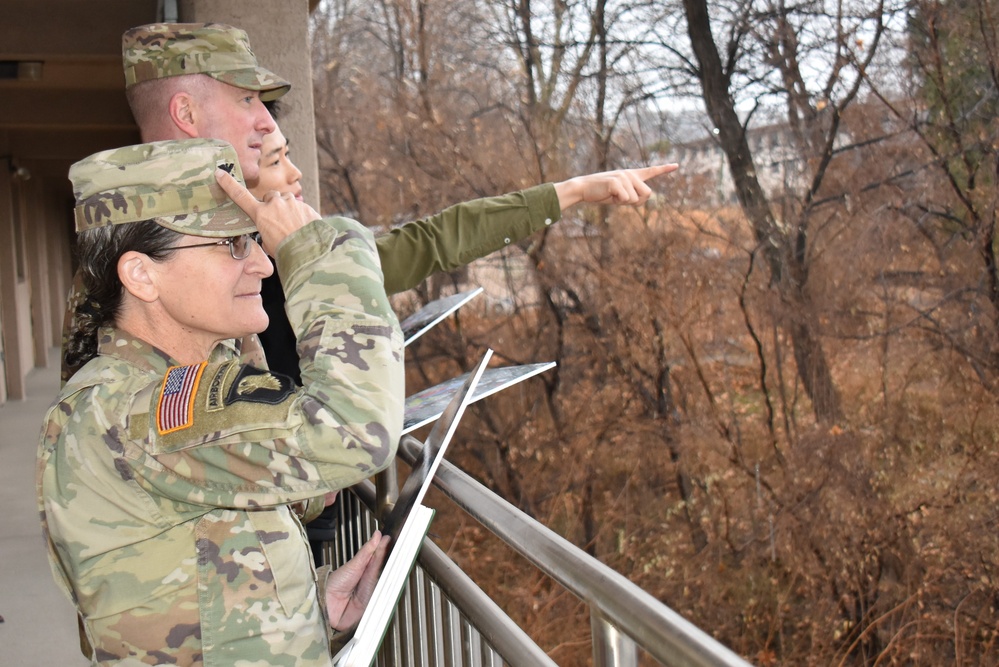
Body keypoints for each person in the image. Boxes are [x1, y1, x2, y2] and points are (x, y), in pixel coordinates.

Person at [39, 138, 403, 664]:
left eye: (256, 240)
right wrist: (320, 249)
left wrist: (304, 618)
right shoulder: (138, 411)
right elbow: (352, 430)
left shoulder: (143, 396)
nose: (261, 263)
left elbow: (181, 588)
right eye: (232, 245)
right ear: (142, 274)